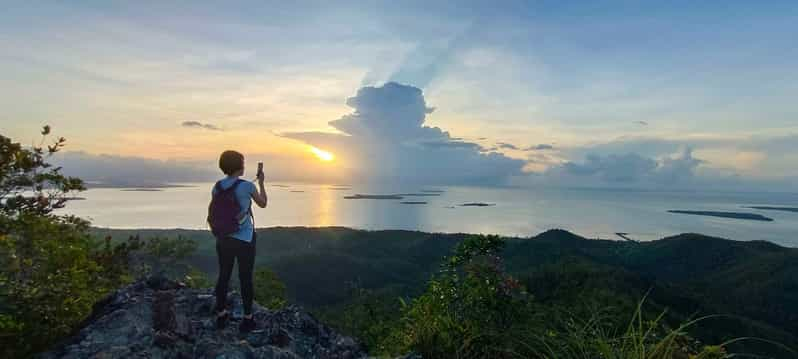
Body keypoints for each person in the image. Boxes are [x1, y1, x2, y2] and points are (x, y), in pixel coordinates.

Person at [210, 150, 267, 332]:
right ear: (239, 166)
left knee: (224, 275)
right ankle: (248, 318)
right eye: (243, 162)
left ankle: (221, 315)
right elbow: (263, 203)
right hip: (244, 239)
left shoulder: (217, 187)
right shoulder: (247, 187)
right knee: (245, 278)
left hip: (223, 238)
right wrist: (262, 183)